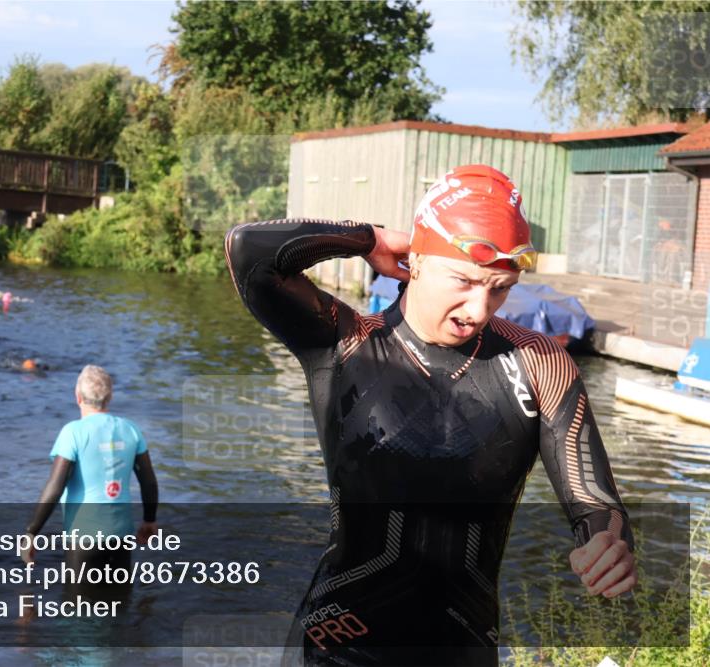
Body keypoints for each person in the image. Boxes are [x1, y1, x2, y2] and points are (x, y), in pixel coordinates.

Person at [224, 164, 636, 666]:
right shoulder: (346, 343)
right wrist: (366, 239)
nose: (479, 308)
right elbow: (249, 252)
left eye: (500, 287)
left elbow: (594, 503)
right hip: (337, 643)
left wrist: (605, 545)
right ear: (416, 260)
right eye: (462, 280)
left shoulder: (540, 364)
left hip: (464, 647)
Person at [20, 365, 159, 588]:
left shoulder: (72, 432)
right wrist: (150, 520)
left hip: (83, 537)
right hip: (121, 534)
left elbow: (55, 486)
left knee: (78, 610)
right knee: (119, 602)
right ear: (110, 397)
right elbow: (148, 481)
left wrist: (31, 532)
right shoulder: (131, 429)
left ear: (78, 397)